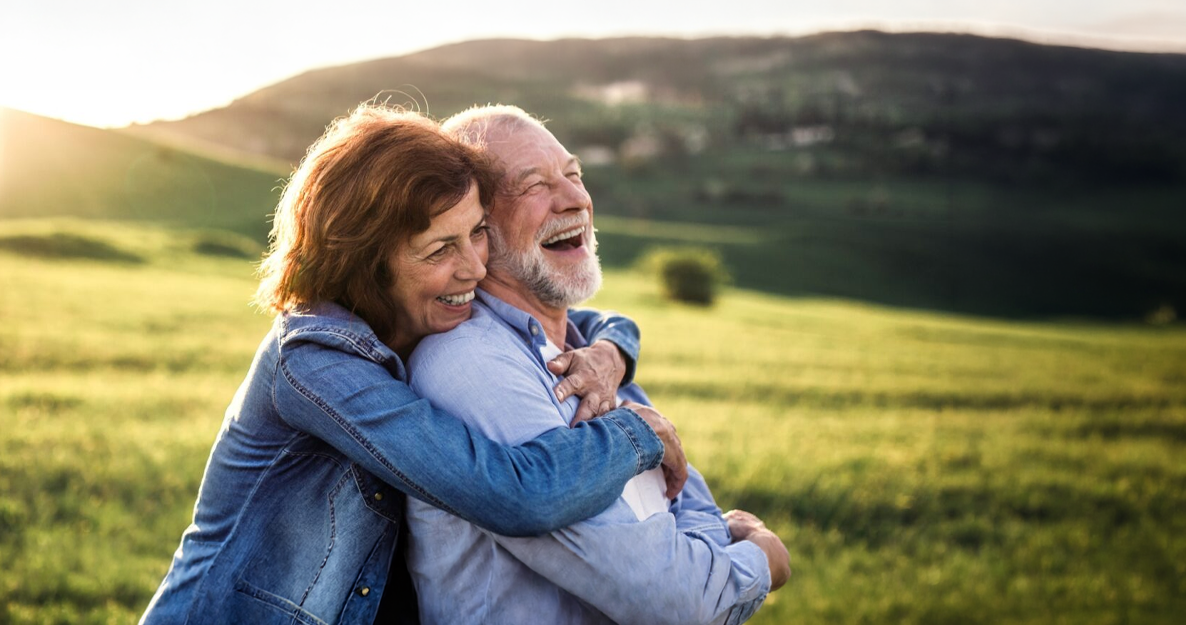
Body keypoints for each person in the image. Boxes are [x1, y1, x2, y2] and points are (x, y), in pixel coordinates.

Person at [140, 104, 688, 624]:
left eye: (477, 232)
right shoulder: (315, 362)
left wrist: (610, 353)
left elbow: (590, 320)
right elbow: (514, 495)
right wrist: (636, 432)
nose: (475, 268)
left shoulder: (417, 316)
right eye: (440, 250)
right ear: (367, 263)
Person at [405, 105, 792, 625]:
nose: (576, 199)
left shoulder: (592, 356)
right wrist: (760, 555)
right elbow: (677, 604)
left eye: (574, 174)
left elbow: (683, 497)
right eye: (534, 185)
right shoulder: (472, 367)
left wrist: (711, 549)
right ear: (476, 226)